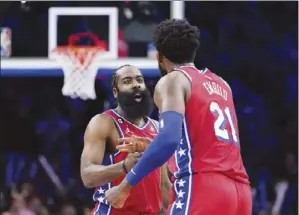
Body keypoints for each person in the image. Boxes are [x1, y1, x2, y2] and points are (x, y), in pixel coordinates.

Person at [105, 19, 252, 215]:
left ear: (159, 55)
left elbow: (169, 140)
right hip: (241, 192)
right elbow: (206, 145)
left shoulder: (173, 80)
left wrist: (125, 186)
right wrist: (152, 144)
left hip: (203, 188)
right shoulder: (222, 84)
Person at [80, 65, 172, 215]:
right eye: (127, 81)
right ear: (116, 92)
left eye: (139, 80)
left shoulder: (157, 127)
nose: (136, 84)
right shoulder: (104, 122)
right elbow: (87, 176)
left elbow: (164, 186)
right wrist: (124, 166)